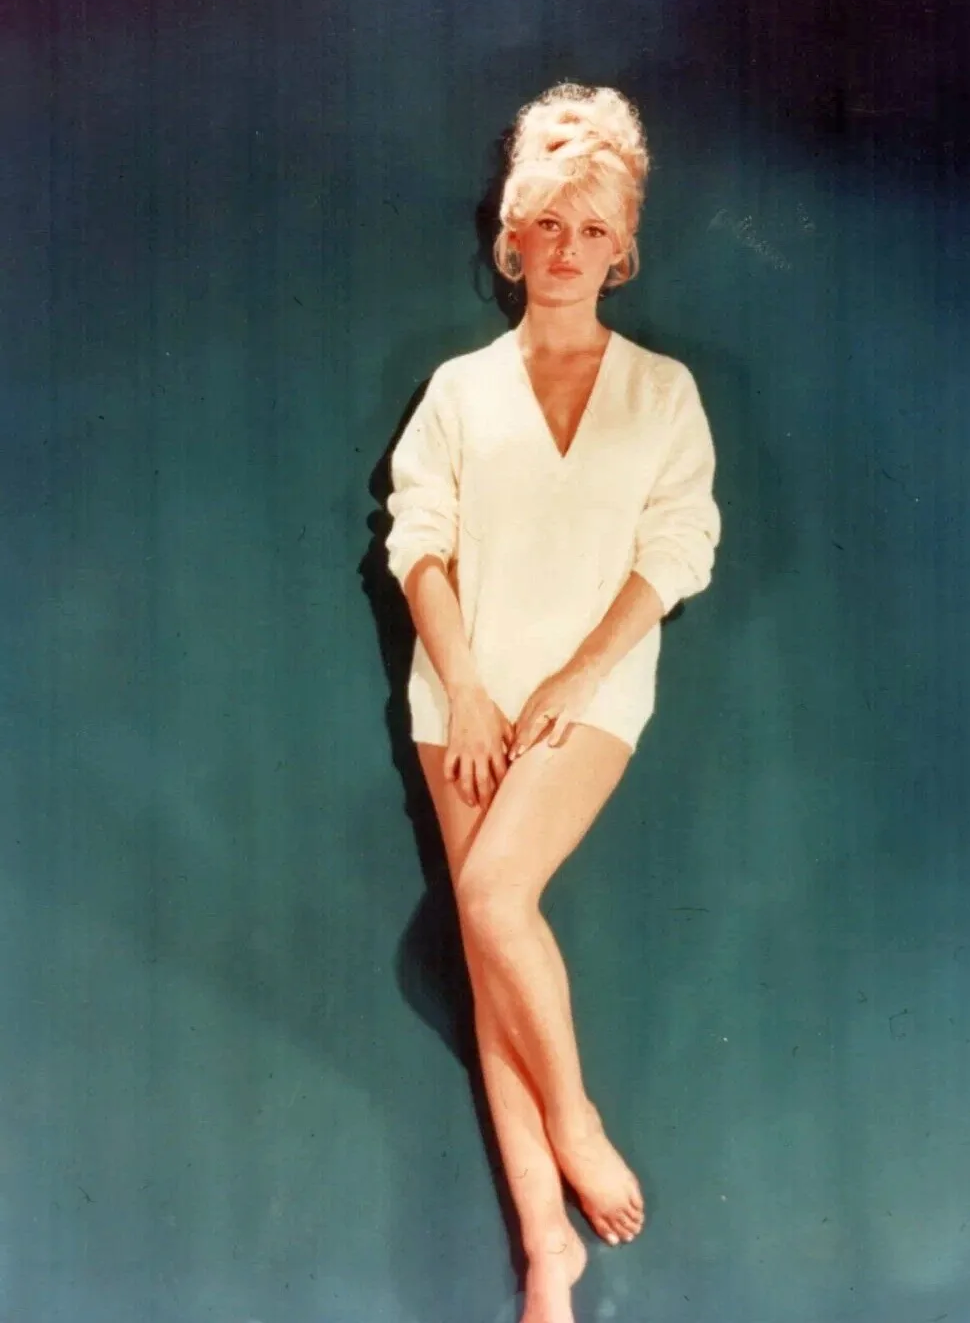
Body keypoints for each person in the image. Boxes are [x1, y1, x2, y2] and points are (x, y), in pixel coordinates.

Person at [385, 82, 721, 1323]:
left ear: (620, 247)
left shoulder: (661, 392)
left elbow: (679, 548)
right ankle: (547, 1254)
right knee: (490, 961)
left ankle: (573, 1117)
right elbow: (417, 541)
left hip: (589, 695)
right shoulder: (459, 389)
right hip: (462, 698)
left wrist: (577, 677)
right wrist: (469, 691)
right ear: (512, 238)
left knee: (490, 900)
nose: (566, 249)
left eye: (591, 229)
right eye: (546, 224)